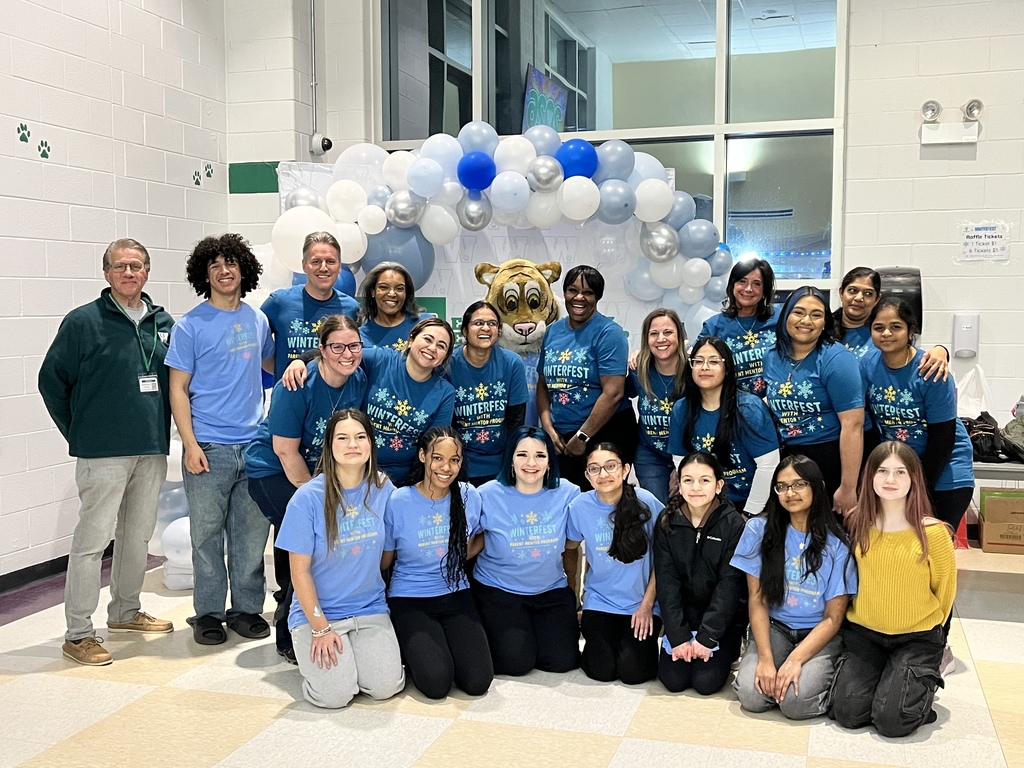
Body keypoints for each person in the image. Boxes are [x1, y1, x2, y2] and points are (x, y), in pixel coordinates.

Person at [38, 238, 175, 666]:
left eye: (136, 266)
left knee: (137, 536)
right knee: (92, 543)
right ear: (106, 273)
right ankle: (79, 633)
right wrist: (79, 431)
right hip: (102, 453)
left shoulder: (162, 321)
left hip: (150, 448)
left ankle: (125, 612)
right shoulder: (83, 322)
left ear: (147, 271)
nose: (128, 273)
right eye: (120, 266)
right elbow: (50, 381)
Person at [166, 233, 275, 646]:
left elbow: (270, 363)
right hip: (209, 447)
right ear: (204, 275)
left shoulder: (257, 320)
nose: (224, 271)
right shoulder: (190, 326)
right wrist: (190, 444)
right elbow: (178, 389)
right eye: (215, 265)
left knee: (251, 536)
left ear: (244, 270)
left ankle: (245, 609)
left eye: (231, 263)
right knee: (207, 538)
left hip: (254, 446)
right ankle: (208, 614)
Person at [244, 315, 368, 662]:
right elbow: (285, 451)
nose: (347, 354)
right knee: (306, 542)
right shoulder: (296, 385)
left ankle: (323, 616)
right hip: (273, 472)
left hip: (315, 473)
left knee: (317, 546)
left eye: (353, 346)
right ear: (322, 350)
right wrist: (319, 498)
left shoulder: (357, 378)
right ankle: (288, 636)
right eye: (337, 347)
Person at [275, 410, 405, 708]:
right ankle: (314, 658)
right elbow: (299, 573)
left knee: (385, 687)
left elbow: (386, 558)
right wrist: (320, 627)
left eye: (360, 437)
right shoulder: (307, 498)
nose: (353, 444)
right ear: (329, 446)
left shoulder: (384, 488)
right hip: (319, 614)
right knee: (334, 696)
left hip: (369, 609)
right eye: (342, 438)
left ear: (371, 443)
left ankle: (353, 658)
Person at [829, 441, 956, 737]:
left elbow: (945, 593)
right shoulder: (857, 522)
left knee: (892, 721)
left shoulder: (934, 533)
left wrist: (931, 632)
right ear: (870, 476)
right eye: (882, 471)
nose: (890, 479)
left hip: (916, 638)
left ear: (913, 479)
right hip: (865, 634)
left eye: (900, 472)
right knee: (847, 713)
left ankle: (923, 677)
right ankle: (890, 677)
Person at [731, 456, 857, 719]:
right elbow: (757, 600)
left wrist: (795, 660)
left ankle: (831, 675)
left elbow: (833, 618)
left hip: (818, 632)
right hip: (775, 627)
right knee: (752, 696)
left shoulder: (837, 543)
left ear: (817, 486)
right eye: (782, 486)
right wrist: (766, 660)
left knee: (795, 704)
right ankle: (775, 675)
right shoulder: (758, 529)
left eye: (799, 484)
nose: (790, 493)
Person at [382, 428, 493, 699]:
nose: (446, 467)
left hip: (456, 593)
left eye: (454, 460)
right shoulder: (399, 500)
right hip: (410, 597)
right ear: (422, 456)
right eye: (438, 458)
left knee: (478, 682)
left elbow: (480, 537)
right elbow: (385, 559)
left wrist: (456, 556)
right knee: (436, 684)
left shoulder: (468, 495)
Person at [474, 426, 582, 675]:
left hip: (550, 589)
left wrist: (573, 591)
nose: (531, 463)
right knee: (516, 663)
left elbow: (572, 546)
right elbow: (469, 544)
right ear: (510, 459)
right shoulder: (486, 495)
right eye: (522, 454)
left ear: (549, 462)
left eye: (540, 455)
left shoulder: (568, 493)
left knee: (563, 661)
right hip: (499, 589)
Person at [861, 297, 975, 533]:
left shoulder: (931, 370)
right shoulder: (867, 365)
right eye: (879, 327)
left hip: (944, 471)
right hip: (899, 470)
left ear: (910, 330)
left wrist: (917, 487)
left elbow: (942, 440)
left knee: (934, 542)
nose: (886, 333)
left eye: (896, 326)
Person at [565, 443, 661, 684]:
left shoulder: (646, 501)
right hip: (600, 601)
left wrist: (647, 606)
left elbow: (665, 558)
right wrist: (576, 594)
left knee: (633, 674)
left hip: (642, 603)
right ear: (587, 475)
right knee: (601, 672)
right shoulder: (579, 506)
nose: (603, 474)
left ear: (625, 469)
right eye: (594, 468)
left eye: (611, 466)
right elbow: (570, 548)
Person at [762, 287, 864, 516]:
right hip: (786, 456)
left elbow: (853, 425)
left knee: (826, 531)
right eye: (798, 312)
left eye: (816, 315)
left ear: (825, 322)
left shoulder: (837, 358)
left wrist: (848, 487)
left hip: (828, 457)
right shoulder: (771, 356)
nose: (806, 320)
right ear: (785, 316)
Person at [537, 264, 636, 490]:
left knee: (605, 500)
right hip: (561, 437)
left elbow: (613, 393)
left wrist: (583, 436)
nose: (579, 297)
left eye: (588, 292)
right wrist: (548, 429)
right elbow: (543, 385)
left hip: (605, 433)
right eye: (573, 290)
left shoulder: (609, 333)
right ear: (564, 293)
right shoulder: (553, 331)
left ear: (597, 297)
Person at [654, 453, 747, 695]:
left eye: (705, 480)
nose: (696, 488)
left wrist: (707, 637)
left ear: (718, 485)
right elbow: (666, 581)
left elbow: (729, 586)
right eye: (688, 480)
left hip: (719, 622)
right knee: (674, 681)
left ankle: (731, 648)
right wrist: (678, 636)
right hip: (683, 618)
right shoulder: (666, 521)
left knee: (705, 683)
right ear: (679, 484)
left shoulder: (733, 524)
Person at [668, 336, 779, 516]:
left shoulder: (749, 409)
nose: (705, 367)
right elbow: (682, 463)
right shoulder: (681, 409)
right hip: (706, 502)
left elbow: (768, 466)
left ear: (727, 368)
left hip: (750, 503)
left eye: (714, 361)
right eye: (698, 361)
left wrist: (748, 515)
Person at [362, 318, 457, 485]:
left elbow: (433, 447)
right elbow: (343, 354)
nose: (432, 348)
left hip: (406, 480)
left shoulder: (445, 393)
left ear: (445, 357)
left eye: (441, 346)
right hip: (360, 470)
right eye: (427, 339)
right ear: (411, 340)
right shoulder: (382, 359)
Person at [446, 301, 528, 485]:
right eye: (478, 323)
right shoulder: (449, 364)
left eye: (492, 323)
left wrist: (509, 466)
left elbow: (516, 421)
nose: (486, 328)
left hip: (499, 464)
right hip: (460, 463)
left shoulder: (512, 363)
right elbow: (445, 423)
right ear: (464, 330)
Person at [260, 231, 360, 380]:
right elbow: (258, 346)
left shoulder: (352, 309)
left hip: (337, 394)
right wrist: (282, 371)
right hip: (289, 393)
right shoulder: (278, 302)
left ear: (339, 267)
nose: (323, 268)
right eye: (316, 261)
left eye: (330, 261)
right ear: (304, 265)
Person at [833, 266, 949, 377]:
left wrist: (940, 350)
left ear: (877, 299)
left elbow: (911, 356)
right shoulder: (825, 327)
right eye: (852, 290)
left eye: (868, 293)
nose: (859, 298)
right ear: (841, 293)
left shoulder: (883, 332)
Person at [628, 309, 687, 504]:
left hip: (688, 452)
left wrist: (682, 467)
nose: (661, 339)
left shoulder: (694, 371)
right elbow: (619, 397)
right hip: (649, 454)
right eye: (654, 333)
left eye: (668, 332)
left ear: (680, 335)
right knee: (658, 510)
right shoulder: (638, 370)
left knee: (688, 510)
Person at [699, 258, 777, 395]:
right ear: (732, 285)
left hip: (773, 403)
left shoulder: (780, 319)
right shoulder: (713, 326)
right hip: (730, 404)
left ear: (764, 291)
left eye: (757, 284)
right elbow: (698, 365)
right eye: (742, 281)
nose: (748, 289)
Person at [357, 262, 432, 351]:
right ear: (373, 291)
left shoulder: (425, 323)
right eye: (384, 287)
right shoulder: (361, 336)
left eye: (399, 289)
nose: (392, 294)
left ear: (406, 293)